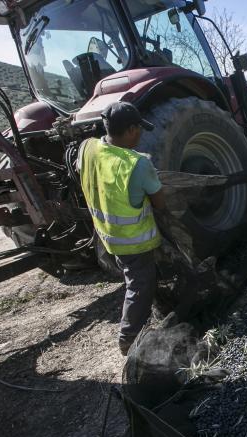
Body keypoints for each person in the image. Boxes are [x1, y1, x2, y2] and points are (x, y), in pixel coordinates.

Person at [79, 101, 165, 355]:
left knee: (135, 276)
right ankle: (128, 339)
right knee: (140, 284)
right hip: (133, 240)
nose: (140, 134)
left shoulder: (88, 148)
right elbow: (160, 203)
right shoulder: (137, 164)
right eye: (138, 129)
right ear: (129, 130)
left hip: (106, 234)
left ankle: (151, 311)